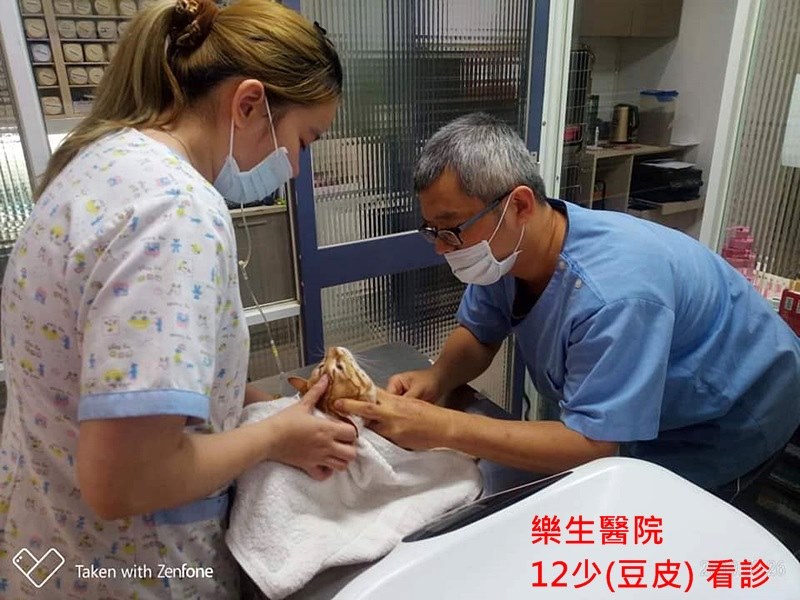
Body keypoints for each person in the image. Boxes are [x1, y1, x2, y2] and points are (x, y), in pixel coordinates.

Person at [0, 1, 358, 597]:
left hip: (49, 547)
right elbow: (126, 480)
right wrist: (276, 437)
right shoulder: (174, 212)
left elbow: (121, 372)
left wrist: (256, 403)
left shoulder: (101, 165)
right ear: (248, 104)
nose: (295, 167)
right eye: (302, 139)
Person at [336, 112, 800, 500]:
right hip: (638, 420)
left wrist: (441, 427)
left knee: (679, 536)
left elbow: (594, 444)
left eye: (452, 229)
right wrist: (438, 377)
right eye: (432, 231)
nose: (441, 248)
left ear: (519, 205)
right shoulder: (511, 249)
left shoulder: (613, 295)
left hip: (730, 416)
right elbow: (480, 332)